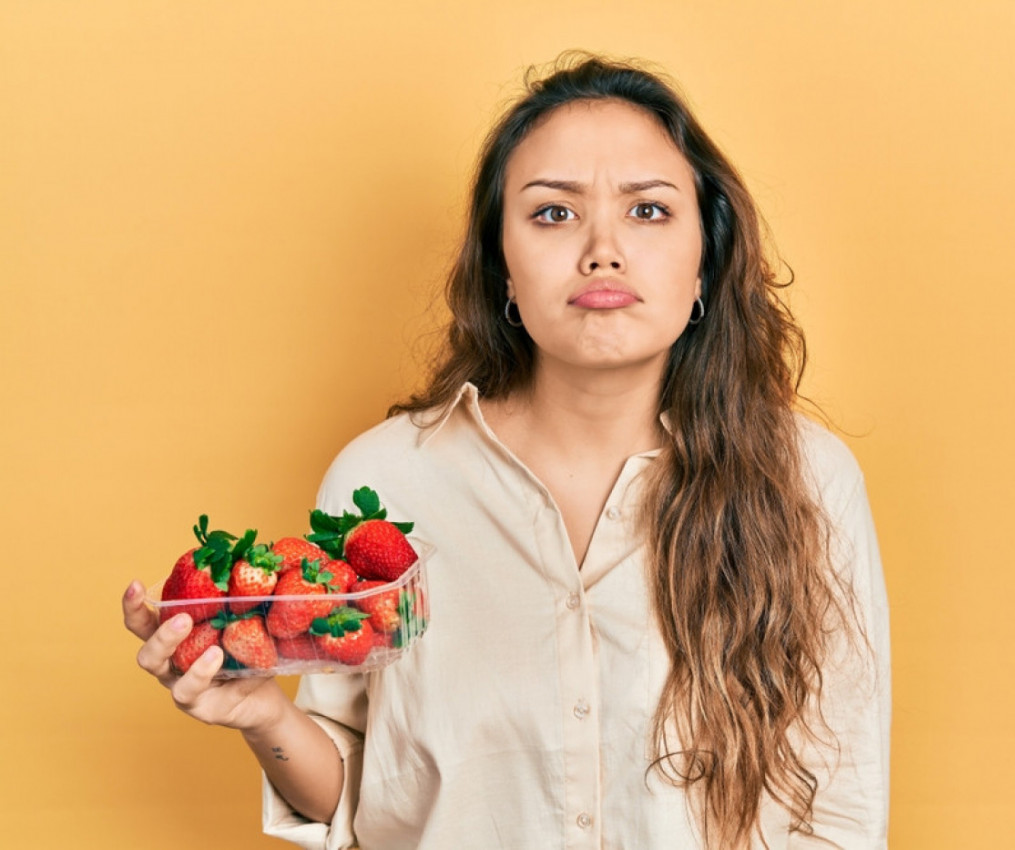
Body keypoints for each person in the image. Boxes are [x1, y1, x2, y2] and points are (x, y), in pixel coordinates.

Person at [123, 54, 891, 849]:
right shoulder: (385, 483)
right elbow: (357, 802)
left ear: (706, 262)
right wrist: (263, 716)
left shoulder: (807, 479)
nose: (602, 249)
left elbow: (839, 807)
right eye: (553, 214)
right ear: (501, 272)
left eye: (649, 212)